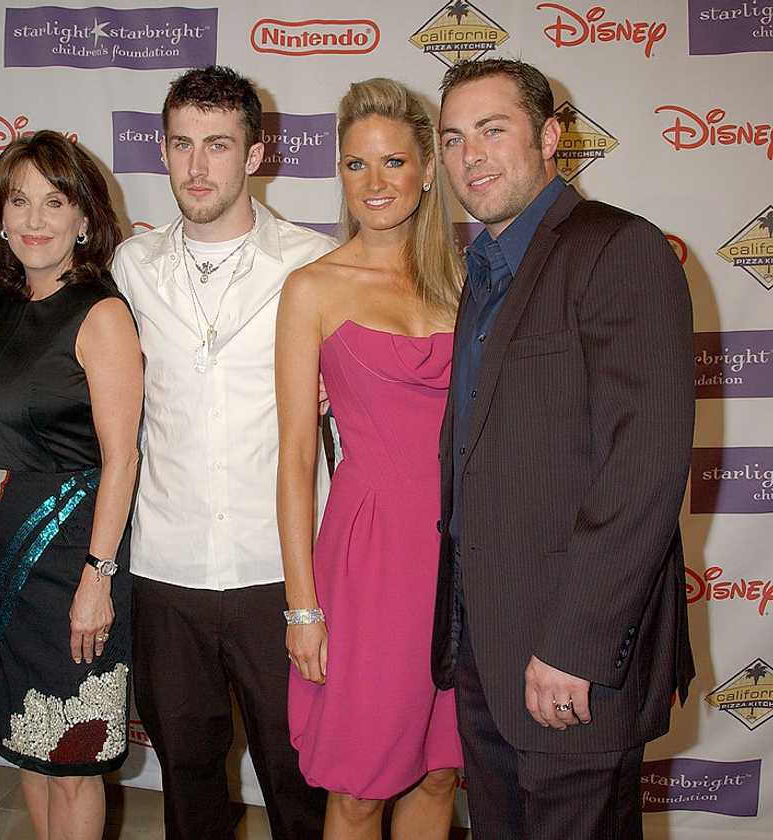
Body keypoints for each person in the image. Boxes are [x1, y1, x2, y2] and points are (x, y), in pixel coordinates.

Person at [430, 58, 695, 840]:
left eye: (492, 130)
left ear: (549, 137)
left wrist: (574, 646)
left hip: (570, 657)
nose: (469, 155)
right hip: (485, 643)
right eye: (452, 138)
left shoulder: (620, 249)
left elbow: (643, 467)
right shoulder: (482, 270)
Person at [110, 65, 333, 840]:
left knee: (302, 784)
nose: (196, 166)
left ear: (256, 153)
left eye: (217, 144)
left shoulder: (314, 265)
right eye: (181, 145)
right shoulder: (131, 269)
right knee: (188, 782)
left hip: (281, 570)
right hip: (165, 569)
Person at [276, 78, 464, 840]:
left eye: (392, 163)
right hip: (369, 557)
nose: (375, 183)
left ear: (427, 170)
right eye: (356, 165)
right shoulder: (311, 288)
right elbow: (293, 456)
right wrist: (302, 605)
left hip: (462, 553)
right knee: (358, 787)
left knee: (442, 767)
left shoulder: (468, 280)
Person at [0, 131, 141, 840]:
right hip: (1, 556)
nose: (35, 218)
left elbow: (121, 457)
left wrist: (97, 577)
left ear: (85, 220)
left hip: (72, 560)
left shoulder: (100, 314)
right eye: (19, 200)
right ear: (1, 217)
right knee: (29, 749)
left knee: (72, 755)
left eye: (55, 201)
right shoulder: (6, 304)